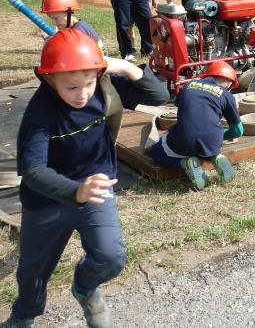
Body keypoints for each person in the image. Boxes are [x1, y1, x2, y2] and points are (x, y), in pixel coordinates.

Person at [5, 29, 169, 328]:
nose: (82, 94)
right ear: (48, 79)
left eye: (89, 83)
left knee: (110, 257)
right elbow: (33, 170)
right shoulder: (40, 113)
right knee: (32, 272)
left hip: (95, 187)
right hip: (47, 198)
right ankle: (23, 316)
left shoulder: (103, 88)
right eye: (71, 86)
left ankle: (85, 287)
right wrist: (75, 191)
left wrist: (125, 66)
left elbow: (160, 96)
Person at [150, 61, 243, 190]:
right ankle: (216, 157)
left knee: (155, 151)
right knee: (205, 144)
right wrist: (222, 135)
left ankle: (184, 163)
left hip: (185, 138)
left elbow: (177, 103)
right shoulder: (227, 95)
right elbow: (238, 131)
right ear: (228, 81)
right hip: (213, 141)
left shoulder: (189, 85)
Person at [40, 0, 105, 52]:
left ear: (69, 13)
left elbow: (68, 53)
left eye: (56, 18)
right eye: (51, 19)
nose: (54, 22)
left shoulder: (78, 31)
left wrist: (51, 42)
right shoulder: (75, 27)